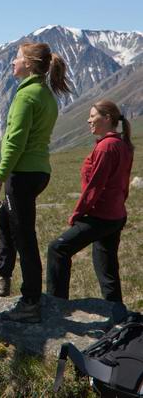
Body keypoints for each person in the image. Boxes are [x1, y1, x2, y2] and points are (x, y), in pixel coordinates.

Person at [0, 42, 71, 323]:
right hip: (39, 172)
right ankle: (3, 276)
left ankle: (31, 301)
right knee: (7, 220)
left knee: (24, 235)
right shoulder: (46, 94)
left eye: (17, 58)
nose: (13, 62)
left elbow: (15, 142)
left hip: (21, 174)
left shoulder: (26, 96)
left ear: (29, 63)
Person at [47, 101, 133, 314]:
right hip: (115, 215)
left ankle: (56, 307)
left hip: (101, 215)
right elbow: (123, 183)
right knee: (107, 268)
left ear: (107, 118)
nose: (88, 120)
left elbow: (96, 184)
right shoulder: (122, 144)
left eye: (93, 116)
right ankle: (118, 313)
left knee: (58, 249)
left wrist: (78, 213)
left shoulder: (106, 147)